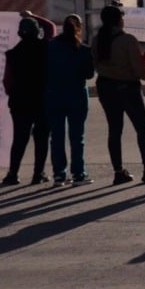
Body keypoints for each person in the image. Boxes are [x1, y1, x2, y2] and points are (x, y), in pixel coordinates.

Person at [93, 5, 145, 185]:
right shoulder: (127, 40)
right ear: (119, 20)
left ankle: (118, 171)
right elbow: (138, 68)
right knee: (142, 128)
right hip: (127, 88)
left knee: (114, 129)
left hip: (105, 87)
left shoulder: (97, 40)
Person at [0, 13, 53, 186]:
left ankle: (12, 174)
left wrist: (13, 94)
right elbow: (50, 27)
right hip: (42, 100)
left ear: (20, 33)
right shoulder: (45, 47)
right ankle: (38, 174)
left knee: (19, 139)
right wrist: (34, 16)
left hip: (19, 102)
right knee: (42, 137)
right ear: (37, 31)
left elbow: (7, 81)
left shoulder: (13, 54)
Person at [42, 13, 95, 186]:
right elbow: (89, 74)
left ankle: (59, 174)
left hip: (54, 95)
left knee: (56, 136)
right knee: (77, 136)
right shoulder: (83, 49)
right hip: (77, 95)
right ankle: (78, 173)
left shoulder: (50, 47)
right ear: (79, 28)